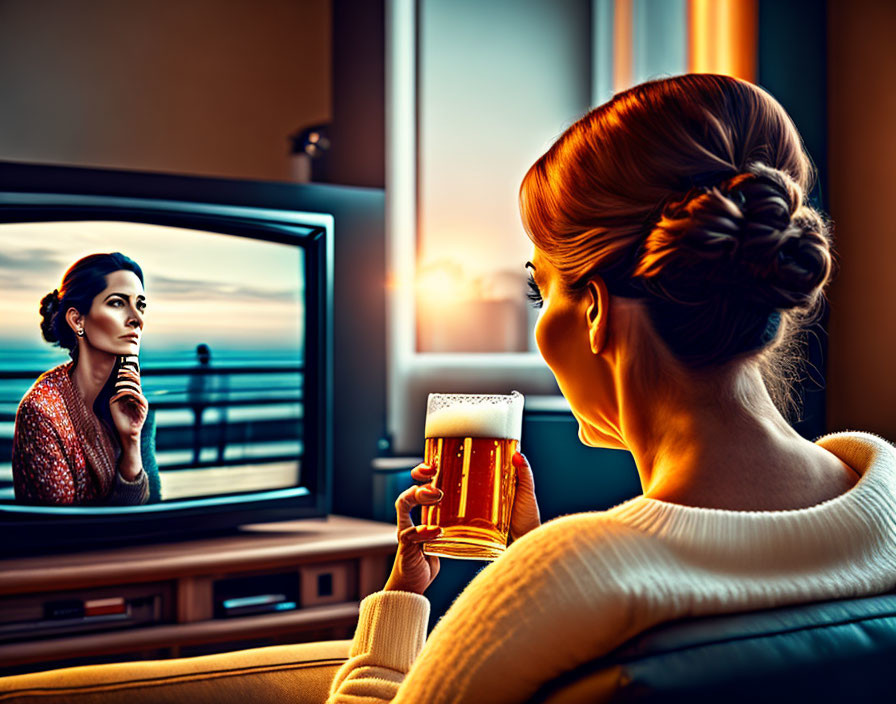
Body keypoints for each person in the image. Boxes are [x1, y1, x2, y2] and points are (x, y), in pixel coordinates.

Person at [325, 74, 896, 703]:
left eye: (541, 291)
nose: (540, 326)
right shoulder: (885, 497)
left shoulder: (566, 579)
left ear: (595, 310)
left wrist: (410, 600)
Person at [12, 252, 159, 505]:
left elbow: (151, 510)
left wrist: (132, 441)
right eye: (117, 303)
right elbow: (62, 531)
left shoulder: (131, 399)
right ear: (77, 320)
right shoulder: (42, 412)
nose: (137, 319)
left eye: (140, 304)